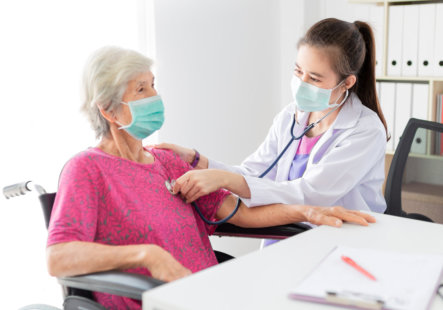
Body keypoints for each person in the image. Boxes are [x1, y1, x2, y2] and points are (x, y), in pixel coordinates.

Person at [46, 46, 375, 310]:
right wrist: (146, 254)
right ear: (108, 109)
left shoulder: (167, 161)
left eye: (153, 85)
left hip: (211, 293)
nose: (154, 97)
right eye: (140, 89)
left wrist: (306, 211)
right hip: (157, 300)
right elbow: (58, 257)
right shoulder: (87, 168)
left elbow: (241, 213)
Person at [158, 18, 389, 214]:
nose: (301, 83)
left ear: (346, 82)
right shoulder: (292, 116)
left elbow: (311, 194)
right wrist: (197, 160)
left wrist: (225, 180)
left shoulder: (365, 130)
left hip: (338, 238)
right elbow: (254, 173)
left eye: (315, 78)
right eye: (298, 71)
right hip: (286, 228)